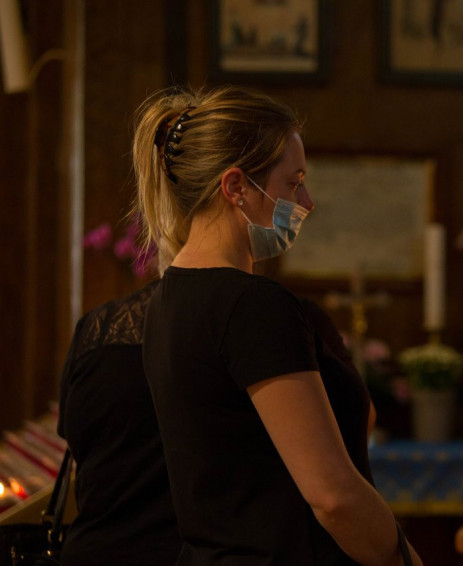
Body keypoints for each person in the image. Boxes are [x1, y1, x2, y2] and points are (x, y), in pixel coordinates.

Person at [133, 85, 421, 566]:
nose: (307, 201)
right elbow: (333, 495)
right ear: (236, 187)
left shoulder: (165, 299)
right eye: (294, 182)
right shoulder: (252, 306)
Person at [57, 278, 182, 566]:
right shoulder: (228, 332)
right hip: (176, 553)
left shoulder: (96, 328)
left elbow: (70, 436)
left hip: (92, 550)